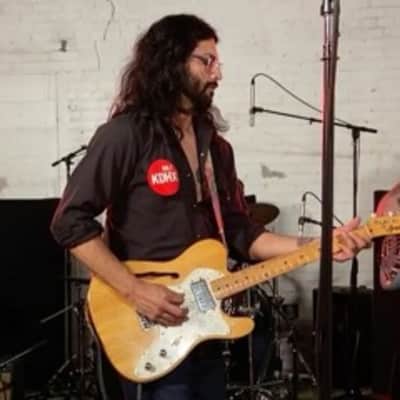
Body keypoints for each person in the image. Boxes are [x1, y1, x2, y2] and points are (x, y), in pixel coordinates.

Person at [50, 13, 370, 400]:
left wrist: (321, 244)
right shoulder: (126, 135)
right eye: (207, 61)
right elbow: (69, 222)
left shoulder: (215, 148)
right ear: (171, 62)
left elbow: (242, 234)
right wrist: (135, 290)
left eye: (217, 62)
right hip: (146, 326)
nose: (218, 74)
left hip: (202, 329)